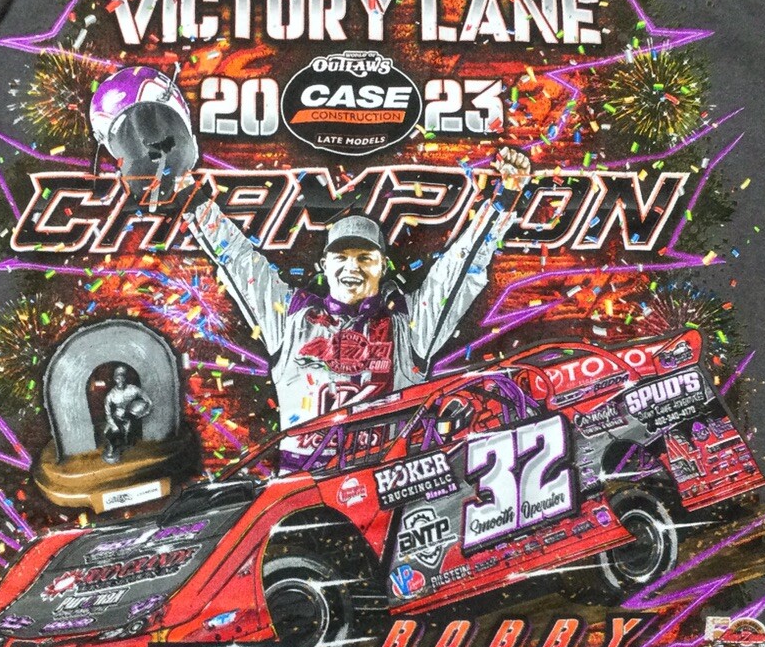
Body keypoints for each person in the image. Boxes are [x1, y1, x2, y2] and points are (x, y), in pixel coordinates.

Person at [188, 149, 532, 432]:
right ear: (324, 265)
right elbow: (238, 260)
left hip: (387, 484)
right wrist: (188, 197)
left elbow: (460, 267)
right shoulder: (291, 318)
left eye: (365, 258)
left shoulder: (409, 324)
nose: (351, 267)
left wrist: (505, 198)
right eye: (341, 257)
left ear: (382, 266)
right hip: (302, 485)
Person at [99, 364, 152, 462]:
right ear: (114, 379)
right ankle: (112, 448)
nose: (120, 380)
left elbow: (148, 401)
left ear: (125, 378)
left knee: (128, 439)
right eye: (117, 378)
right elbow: (108, 414)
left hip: (129, 418)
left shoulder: (133, 389)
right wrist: (113, 425)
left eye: (122, 377)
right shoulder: (111, 395)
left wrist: (143, 413)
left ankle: (126, 445)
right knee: (107, 433)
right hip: (116, 418)